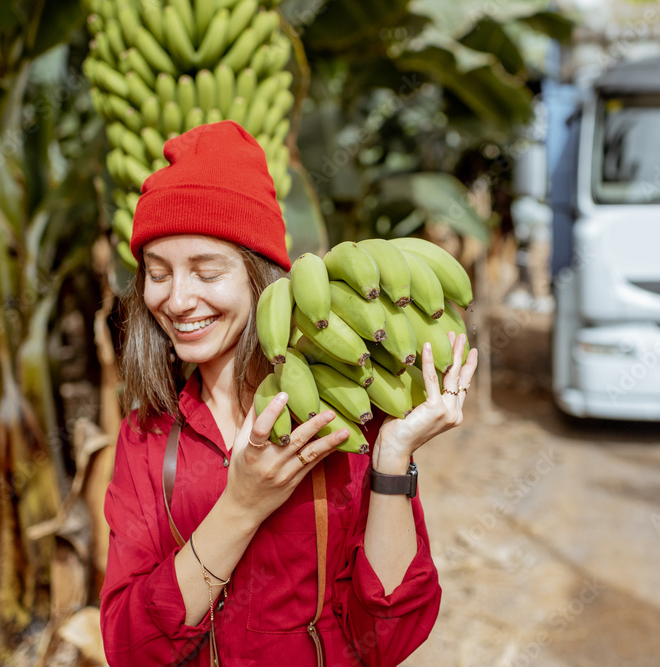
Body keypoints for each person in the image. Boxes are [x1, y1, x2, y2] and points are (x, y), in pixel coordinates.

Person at [99, 120, 478, 666]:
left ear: (259, 277)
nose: (178, 299)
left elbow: (386, 640)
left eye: (207, 272)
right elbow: (131, 648)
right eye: (158, 274)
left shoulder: (343, 421)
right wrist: (242, 504)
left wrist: (392, 457)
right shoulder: (147, 436)